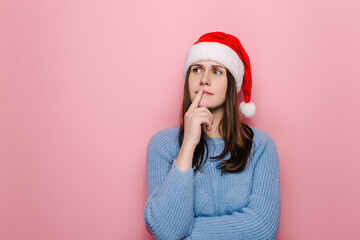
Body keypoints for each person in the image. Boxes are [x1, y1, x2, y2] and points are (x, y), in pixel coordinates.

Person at [143, 31, 281, 240]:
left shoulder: (260, 146)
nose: (204, 80)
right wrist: (188, 145)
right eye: (197, 70)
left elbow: (261, 228)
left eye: (216, 71)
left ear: (231, 84)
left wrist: (184, 233)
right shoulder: (163, 145)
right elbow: (165, 230)